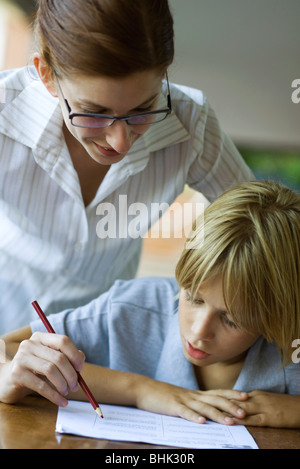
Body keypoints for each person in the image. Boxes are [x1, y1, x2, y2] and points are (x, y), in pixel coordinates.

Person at [0, 0, 253, 334]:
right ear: (47, 75)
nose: (120, 142)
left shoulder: (191, 122)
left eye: (143, 108)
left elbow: (259, 229)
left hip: (105, 330)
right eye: (93, 111)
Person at [1, 180, 299, 428]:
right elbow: (7, 350)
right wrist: (141, 390)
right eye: (193, 297)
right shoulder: (133, 308)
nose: (198, 331)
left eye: (231, 320)